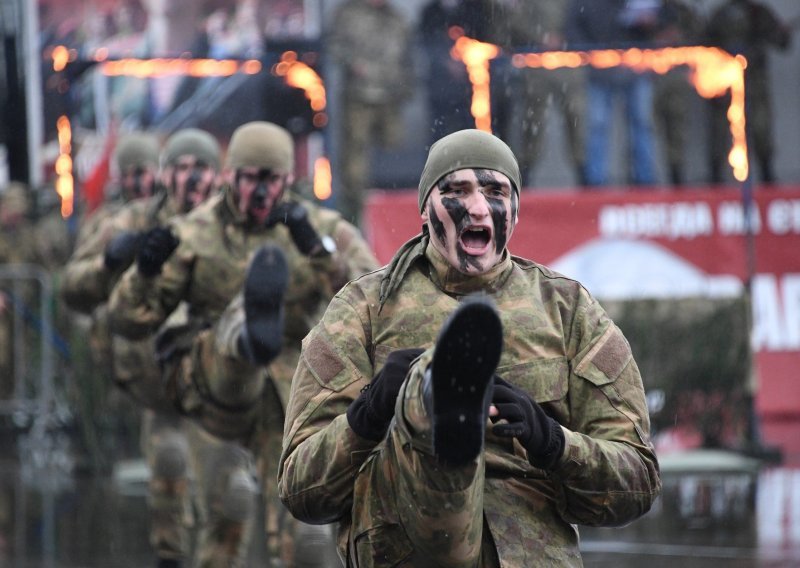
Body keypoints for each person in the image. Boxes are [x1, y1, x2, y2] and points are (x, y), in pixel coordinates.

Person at [278, 129, 661, 566]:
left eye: (495, 191)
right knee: (421, 402)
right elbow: (301, 488)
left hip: (529, 552)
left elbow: (637, 483)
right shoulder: (363, 309)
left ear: (515, 210)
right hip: (405, 540)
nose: (478, 207)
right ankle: (434, 401)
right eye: (457, 190)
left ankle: (444, 399)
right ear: (426, 210)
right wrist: (369, 412)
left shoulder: (567, 310)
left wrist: (552, 441)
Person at [108, 121, 379, 566]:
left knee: (307, 538)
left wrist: (320, 251)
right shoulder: (194, 232)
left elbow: (375, 301)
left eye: (271, 179)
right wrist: (145, 271)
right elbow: (129, 317)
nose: (259, 190)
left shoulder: (319, 226)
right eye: (249, 177)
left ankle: (258, 330)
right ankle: (248, 331)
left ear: (288, 180)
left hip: (293, 392)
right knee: (226, 520)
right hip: (217, 393)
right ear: (230, 176)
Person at [62, 128, 257, 568]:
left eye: (200, 169)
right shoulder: (132, 221)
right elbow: (72, 289)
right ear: (164, 175)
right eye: (180, 168)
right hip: (156, 382)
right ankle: (170, 556)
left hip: (219, 386)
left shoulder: (240, 226)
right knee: (169, 468)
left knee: (234, 496)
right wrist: (110, 261)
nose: (191, 179)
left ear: (218, 175)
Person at [327, 0, 414, 227]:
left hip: (391, 97)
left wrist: (406, 87)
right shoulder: (347, 14)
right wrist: (355, 65)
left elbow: (407, 55)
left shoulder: (396, 18)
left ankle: (391, 211)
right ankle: (354, 215)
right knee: (355, 158)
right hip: (359, 97)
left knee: (393, 152)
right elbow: (335, 46)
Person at [488, 0, 586, 187]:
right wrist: (541, 37)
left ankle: (584, 176)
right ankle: (525, 177)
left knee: (576, 119)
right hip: (537, 65)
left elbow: (585, 17)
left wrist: (567, 37)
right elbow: (513, 21)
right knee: (533, 123)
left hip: (570, 63)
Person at [566, 0, 660, 187]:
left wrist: (650, 23)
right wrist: (589, 54)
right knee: (597, 126)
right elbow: (573, 25)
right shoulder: (586, 5)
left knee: (641, 124)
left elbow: (663, 18)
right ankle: (596, 181)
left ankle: (644, 179)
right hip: (600, 70)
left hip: (636, 66)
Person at [705, 0, 791, 184]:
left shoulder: (759, 13)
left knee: (761, 127)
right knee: (719, 129)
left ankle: (767, 175)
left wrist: (782, 34)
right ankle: (715, 178)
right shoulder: (720, 15)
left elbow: (782, 42)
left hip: (755, 81)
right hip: (725, 81)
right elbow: (704, 43)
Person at [417, 0, 488, 142]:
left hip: (469, 85)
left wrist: (465, 61)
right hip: (440, 86)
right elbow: (426, 43)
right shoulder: (431, 11)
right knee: (439, 133)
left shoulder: (475, 9)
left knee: (468, 132)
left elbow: (484, 41)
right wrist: (445, 61)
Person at [653, 0, 704, 186]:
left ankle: (677, 177)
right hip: (648, 79)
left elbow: (700, 36)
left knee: (677, 129)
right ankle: (645, 179)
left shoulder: (683, 12)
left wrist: (678, 36)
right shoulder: (647, 9)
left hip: (676, 79)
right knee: (646, 128)